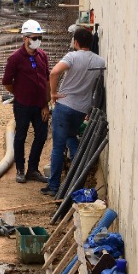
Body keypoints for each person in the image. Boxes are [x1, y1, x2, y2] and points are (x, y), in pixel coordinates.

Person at [42, 27, 108, 197]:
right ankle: (77, 178)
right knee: (71, 137)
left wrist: (53, 93)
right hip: (81, 109)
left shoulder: (72, 56)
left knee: (57, 147)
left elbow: (54, 72)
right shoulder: (100, 62)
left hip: (64, 106)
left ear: (76, 42)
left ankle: (54, 186)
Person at [1, 20, 51, 183]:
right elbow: (7, 81)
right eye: (34, 37)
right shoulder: (15, 58)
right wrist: (19, 93)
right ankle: (20, 170)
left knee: (41, 135)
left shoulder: (42, 56)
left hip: (39, 105)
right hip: (23, 106)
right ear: (25, 38)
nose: (37, 40)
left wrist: (46, 104)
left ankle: (33, 169)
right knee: (20, 136)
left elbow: (46, 80)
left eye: (39, 37)